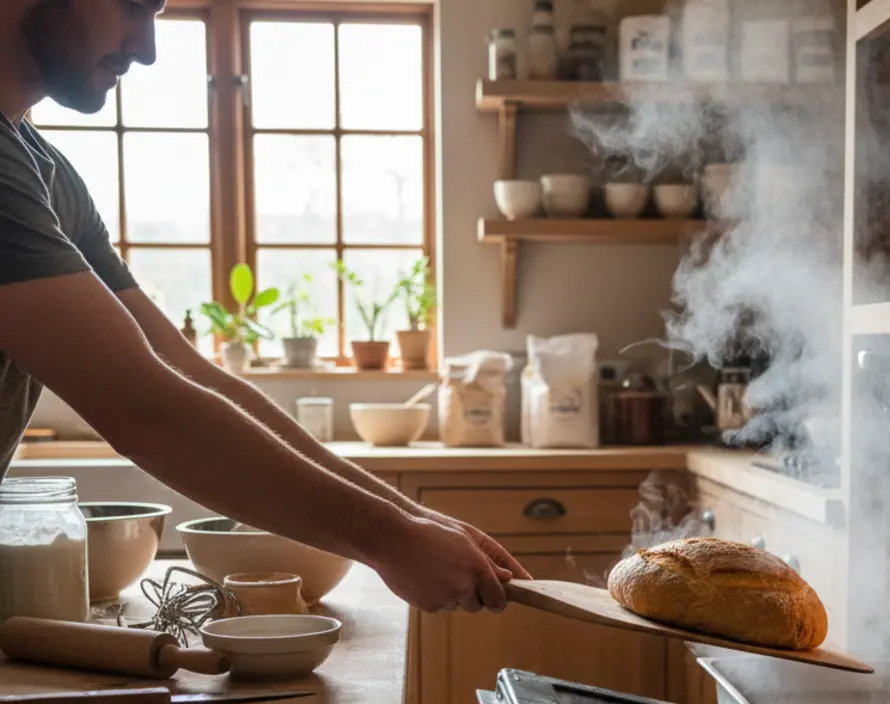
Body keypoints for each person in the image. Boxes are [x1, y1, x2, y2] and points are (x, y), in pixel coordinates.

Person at [0, 0, 527, 613]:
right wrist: (391, 540)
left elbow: (185, 372)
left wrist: (414, 520)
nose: (145, 47)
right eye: (133, 6)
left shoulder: (45, 172)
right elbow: (143, 407)